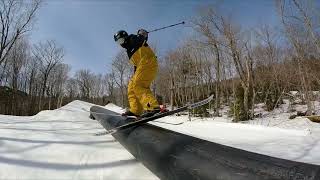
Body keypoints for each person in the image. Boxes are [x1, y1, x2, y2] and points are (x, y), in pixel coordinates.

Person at [114, 29, 161, 118]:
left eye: (121, 40)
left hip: (148, 61)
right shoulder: (128, 51)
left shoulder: (133, 38)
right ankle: (136, 110)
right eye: (118, 42)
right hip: (141, 66)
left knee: (138, 85)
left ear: (125, 37)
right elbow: (136, 64)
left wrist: (142, 34)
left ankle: (153, 107)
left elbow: (143, 39)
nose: (121, 43)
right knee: (131, 87)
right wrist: (135, 75)